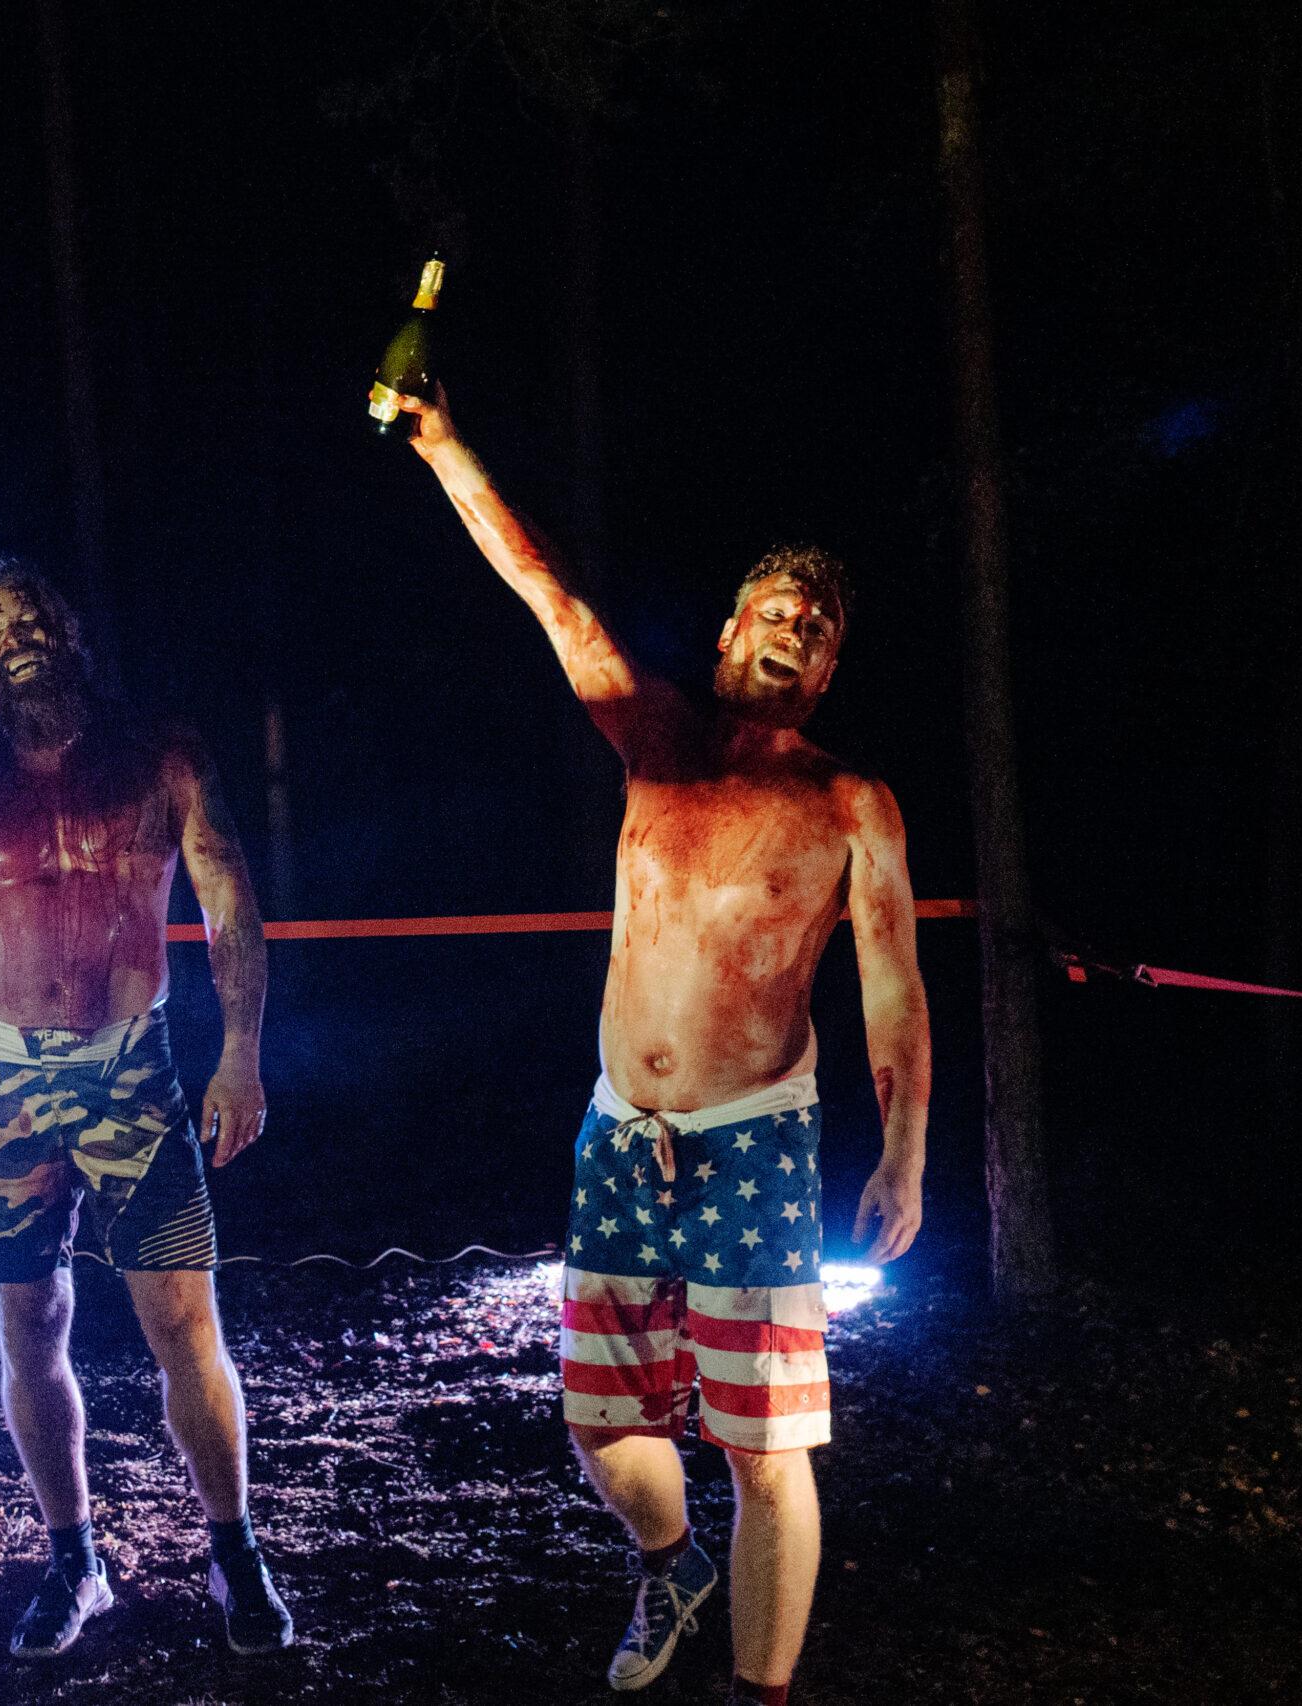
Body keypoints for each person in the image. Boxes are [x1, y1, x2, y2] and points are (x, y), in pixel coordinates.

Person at [402, 386, 929, 1704]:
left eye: (818, 630)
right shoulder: (658, 738)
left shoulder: (848, 802)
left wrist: (906, 1153)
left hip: (756, 1141)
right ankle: (671, 1561)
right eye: (776, 612)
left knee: (767, 1442)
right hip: (619, 1135)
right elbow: (551, 599)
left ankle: (762, 1688)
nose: (794, 631)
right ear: (729, 632)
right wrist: (447, 444)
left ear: (825, 672)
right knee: (602, 1419)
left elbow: (895, 991)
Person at [0, 559, 293, 1658]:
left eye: (31, 614)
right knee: (29, 1324)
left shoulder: (159, 756)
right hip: (3, 1083)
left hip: (134, 1074)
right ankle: (74, 1562)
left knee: (182, 1322)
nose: (15, 633)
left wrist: (241, 1054)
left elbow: (228, 904)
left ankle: (236, 1551)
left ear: (69, 630)